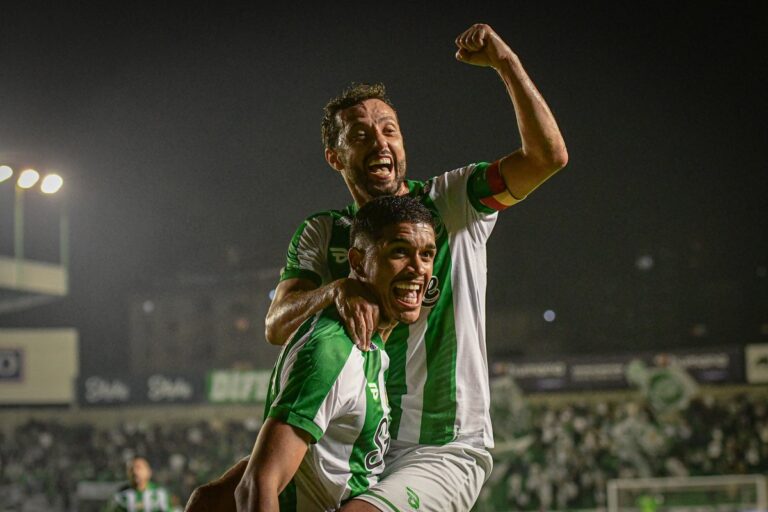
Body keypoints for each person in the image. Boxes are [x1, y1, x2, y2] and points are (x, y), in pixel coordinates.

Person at [186, 22, 567, 512]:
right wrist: (334, 289)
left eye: (389, 129)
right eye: (361, 135)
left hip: (440, 446)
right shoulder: (325, 233)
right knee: (211, 502)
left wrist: (506, 65)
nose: (380, 142)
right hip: (359, 432)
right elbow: (276, 325)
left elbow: (547, 156)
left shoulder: (451, 200)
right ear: (335, 156)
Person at [235, 195, 436, 511]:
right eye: (399, 252)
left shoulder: (369, 344)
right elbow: (256, 485)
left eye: (427, 255)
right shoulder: (331, 349)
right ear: (357, 262)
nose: (418, 269)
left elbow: (212, 497)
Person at [105, 456, 171, 512]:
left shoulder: (161, 494)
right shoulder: (119, 496)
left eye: (139, 468)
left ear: (148, 472)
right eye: (131, 469)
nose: (135, 471)